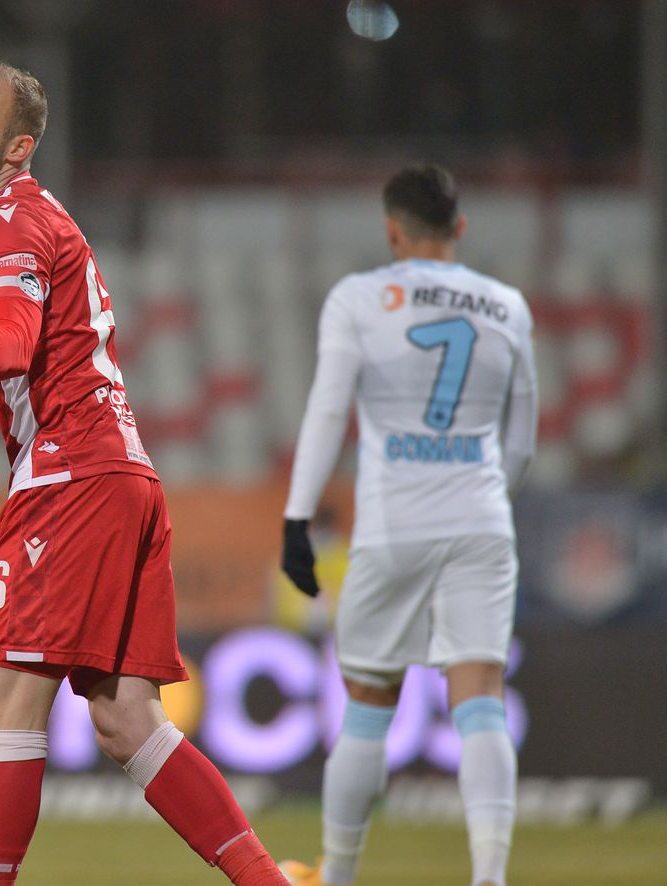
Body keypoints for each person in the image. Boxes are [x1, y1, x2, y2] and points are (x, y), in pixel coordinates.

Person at [0, 59, 291, 886]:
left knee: (6, 705)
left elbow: (15, 346)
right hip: (122, 474)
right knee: (127, 720)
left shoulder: (8, 221)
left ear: (19, 147)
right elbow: (43, 354)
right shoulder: (36, 217)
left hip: (69, 480)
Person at [277, 164, 538, 886]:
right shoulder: (507, 306)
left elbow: (330, 409)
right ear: (459, 227)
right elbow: (521, 442)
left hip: (393, 525)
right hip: (481, 518)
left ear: (393, 230)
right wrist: (485, 500)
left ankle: (339, 877)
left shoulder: (360, 299)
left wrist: (298, 518)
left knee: (366, 704)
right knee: (480, 696)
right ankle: (489, 877)